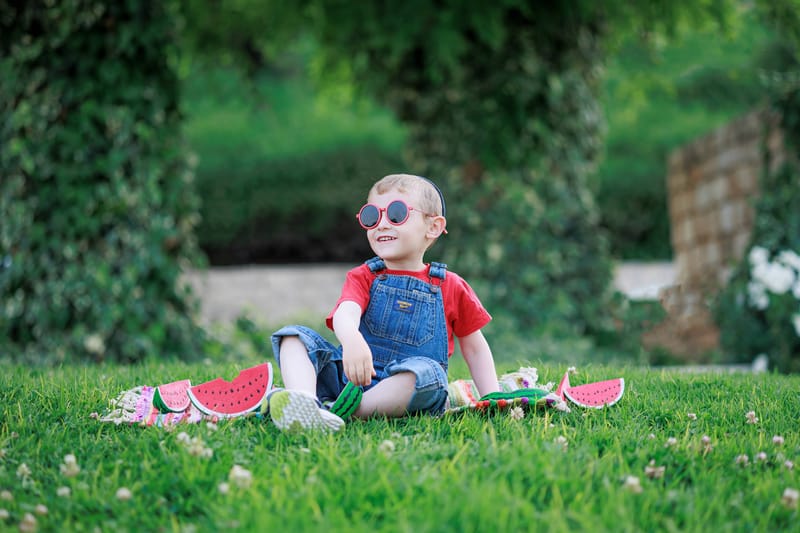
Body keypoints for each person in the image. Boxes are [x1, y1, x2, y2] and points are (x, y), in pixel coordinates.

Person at [266, 173, 500, 432]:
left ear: (433, 226)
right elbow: (347, 311)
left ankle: (342, 412)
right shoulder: (365, 275)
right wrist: (351, 339)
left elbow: (475, 348)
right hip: (351, 378)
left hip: (405, 389)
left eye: (396, 214)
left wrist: (493, 397)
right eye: (371, 216)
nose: (382, 225)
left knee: (431, 375)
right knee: (293, 336)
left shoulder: (451, 285)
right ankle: (305, 402)